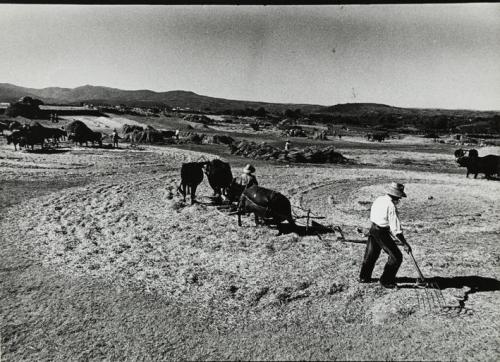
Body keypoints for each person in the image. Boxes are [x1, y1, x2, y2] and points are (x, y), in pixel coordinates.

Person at [359, 182, 412, 288]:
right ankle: (386, 281)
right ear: (396, 195)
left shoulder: (379, 199)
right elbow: (396, 229)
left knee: (371, 255)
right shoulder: (391, 206)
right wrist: (405, 243)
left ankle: (364, 277)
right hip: (381, 232)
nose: (399, 199)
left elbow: (374, 216)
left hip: (373, 228)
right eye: (399, 197)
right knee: (396, 257)